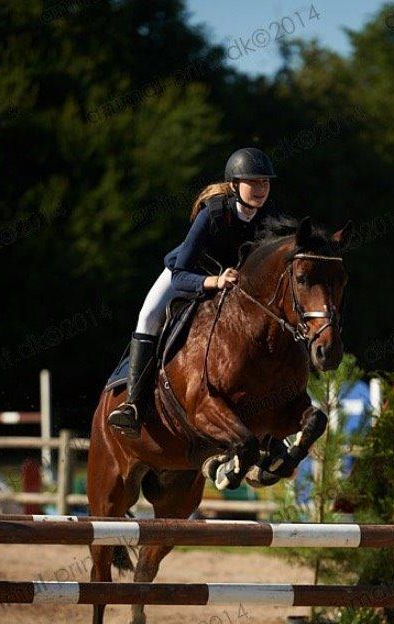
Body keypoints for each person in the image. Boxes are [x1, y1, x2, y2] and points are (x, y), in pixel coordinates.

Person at [108, 147, 277, 435]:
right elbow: (179, 276)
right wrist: (213, 282)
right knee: (148, 315)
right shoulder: (212, 213)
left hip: (229, 285)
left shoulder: (267, 218)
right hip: (187, 275)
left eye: (265, 182)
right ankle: (133, 404)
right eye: (253, 182)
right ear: (235, 184)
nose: (261, 189)